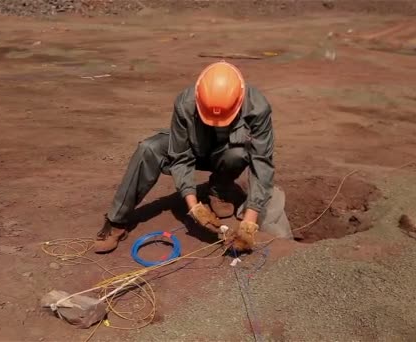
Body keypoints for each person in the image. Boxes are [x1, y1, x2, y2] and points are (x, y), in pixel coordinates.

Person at [94, 61, 292, 253]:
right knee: (149, 148)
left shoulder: (258, 107)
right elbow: (180, 157)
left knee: (240, 152)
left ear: (239, 102)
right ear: (198, 99)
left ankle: (219, 190)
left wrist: (250, 221)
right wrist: (194, 207)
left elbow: (262, 163)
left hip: (228, 155)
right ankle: (116, 221)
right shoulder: (185, 103)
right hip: (196, 150)